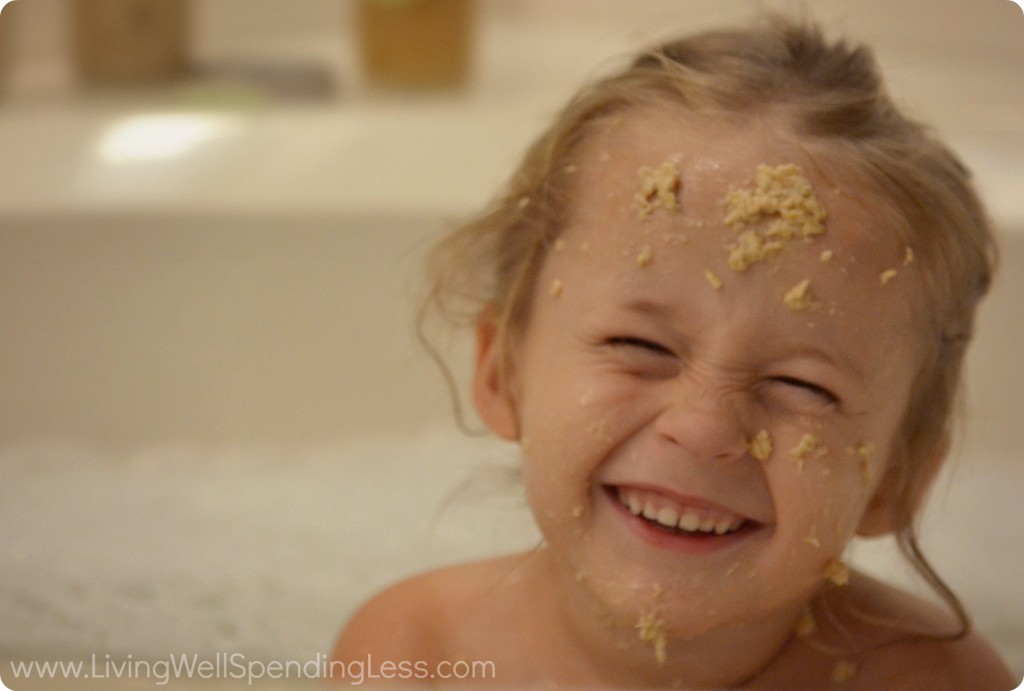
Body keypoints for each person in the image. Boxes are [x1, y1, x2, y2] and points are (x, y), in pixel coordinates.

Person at [332, 16, 1016, 689]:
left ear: (896, 475)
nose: (704, 426)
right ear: (500, 372)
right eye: (639, 344)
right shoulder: (416, 657)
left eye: (804, 385)